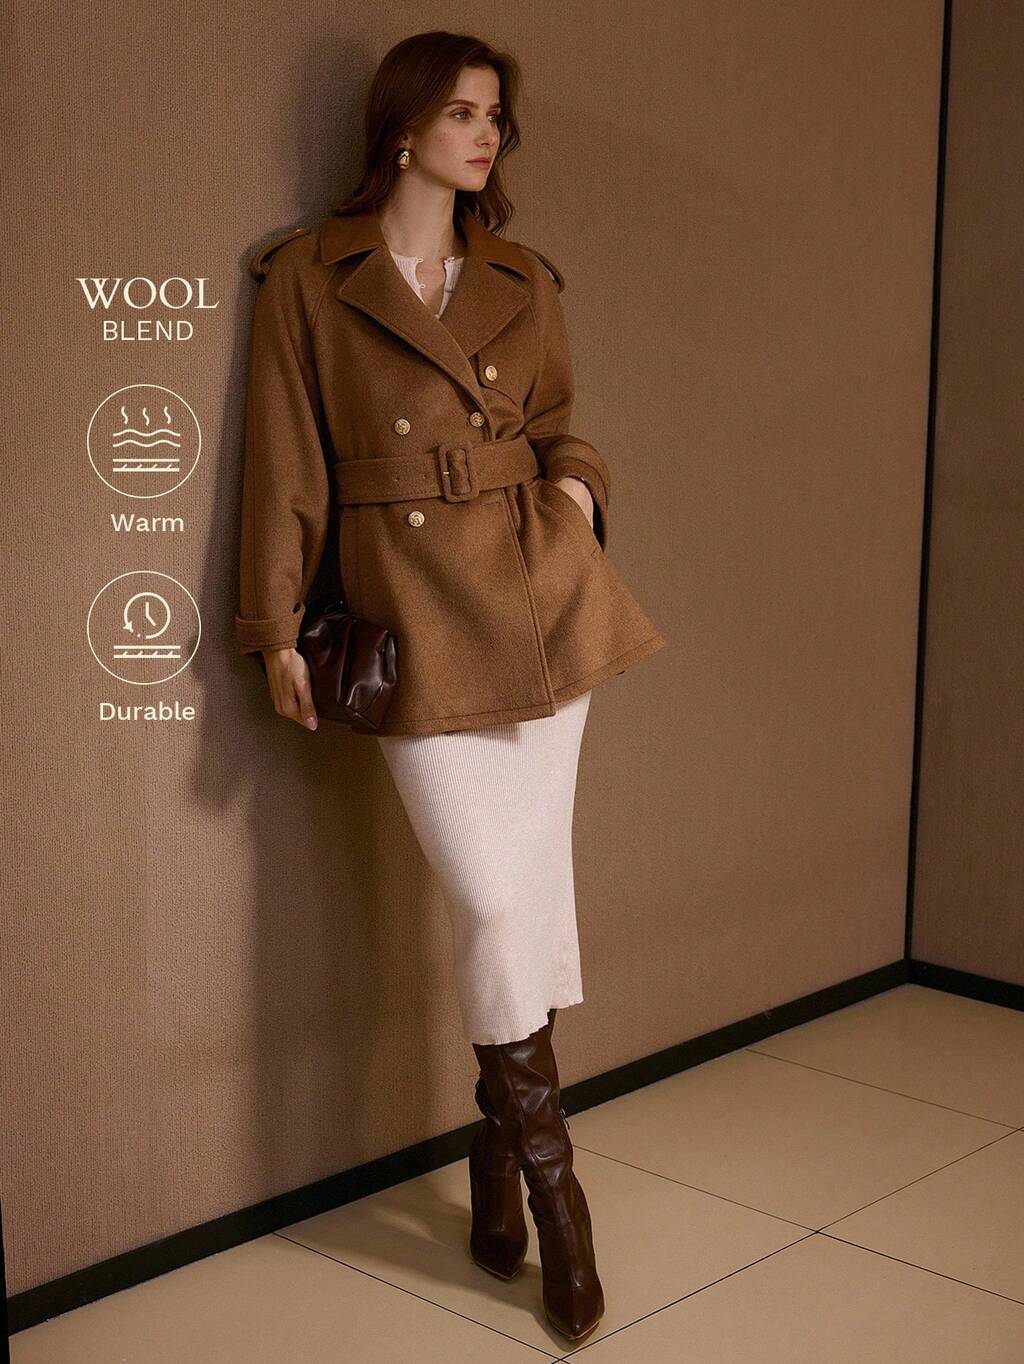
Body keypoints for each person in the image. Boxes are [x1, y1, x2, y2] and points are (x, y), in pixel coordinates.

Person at [234, 30, 667, 1344]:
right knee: (495, 898)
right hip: (413, 614)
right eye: (465, 113)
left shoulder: (523, 277)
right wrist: (273, 628)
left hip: (544, 606)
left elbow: (564, 426)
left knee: (519, 899)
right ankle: (551, 1186)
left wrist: (578, 498)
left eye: (495, 118)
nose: (486, 137)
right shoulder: (309, 276)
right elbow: (285, 464)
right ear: (406, 126)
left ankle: (511, 1168)